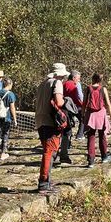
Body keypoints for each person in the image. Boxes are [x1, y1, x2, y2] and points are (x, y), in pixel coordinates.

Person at [34, 63, 70, 194]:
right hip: (51, 121)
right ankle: (43, 182)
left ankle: (46, 180)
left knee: (48, 150)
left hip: (40, 119)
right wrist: (67, 101)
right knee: (49, 151)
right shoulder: (57, 83)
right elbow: (59, 102)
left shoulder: (42, 84)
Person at [83, 73, 111, 167]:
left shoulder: (88, 89)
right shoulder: (103, 89)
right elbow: (108, 103)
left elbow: (84, 102)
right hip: (101, 113)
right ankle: (104, 156)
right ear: (100, 80)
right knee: (102, 135)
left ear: (92, 79)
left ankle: (91, 160)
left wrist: (83, 114)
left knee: (91, 136)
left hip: (90, 113)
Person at [59, 70, 83, 164]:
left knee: (66, 127)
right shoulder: (73, 85)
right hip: (72, 107)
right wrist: (83, 105)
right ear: (73, 78)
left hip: (64, 108)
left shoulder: (63, 84)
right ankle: (79, 135)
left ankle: (67, 145)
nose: (79, 80)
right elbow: (76, 97)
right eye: (78, 78)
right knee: (83, 119)